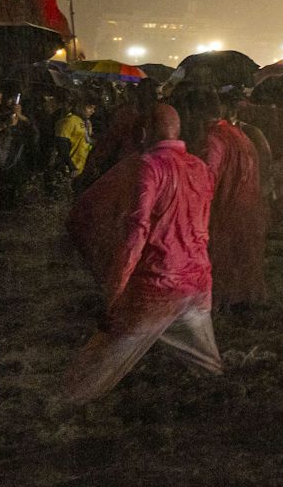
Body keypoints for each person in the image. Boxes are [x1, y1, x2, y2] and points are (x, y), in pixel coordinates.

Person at [63, 104, 222, 402]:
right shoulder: (201, 169)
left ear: (145, 132)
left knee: (82, 383)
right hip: (197, 284)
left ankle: (53, 422)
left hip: (155, 288)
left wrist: (114, 295)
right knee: (209, 373)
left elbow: (135, 234)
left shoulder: (149, 166)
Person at [183, 91, 268, 309]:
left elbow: (205, 179)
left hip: (226, 214)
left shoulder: (212, 140)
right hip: (247, 210)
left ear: (194, 113)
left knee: (223, 270)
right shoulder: (239, 134)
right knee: (244, 270)